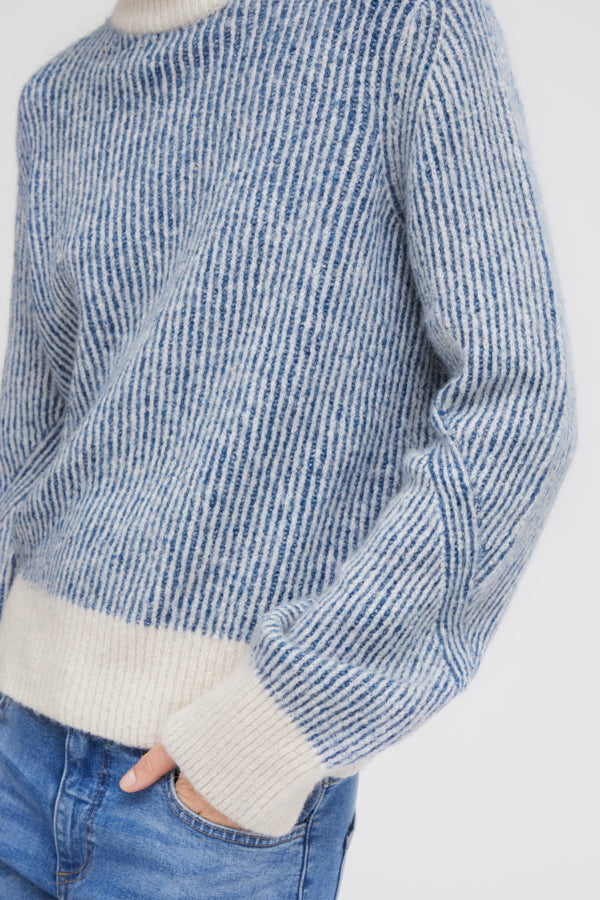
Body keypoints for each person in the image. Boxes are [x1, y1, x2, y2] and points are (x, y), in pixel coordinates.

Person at [0, 0, 578, 896]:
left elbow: (520, 403)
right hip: (16, 746)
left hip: (202, 817)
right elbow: (31, 432)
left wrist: (277, 724)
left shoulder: (402, 30)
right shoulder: (60, 97)